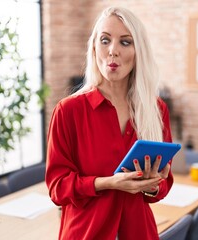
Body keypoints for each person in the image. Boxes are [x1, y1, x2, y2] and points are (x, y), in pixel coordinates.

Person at [46, 6, 174, 240]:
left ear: (138, 51)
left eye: (125, 42)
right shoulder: (68, 111)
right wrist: (107, 183)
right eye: (105, 40)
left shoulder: (156, 110)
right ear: (94, 47)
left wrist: (152, 184)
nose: (113, 51)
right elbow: (57, 188)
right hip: (86, 233)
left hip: (138, 232)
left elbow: (163, 186)